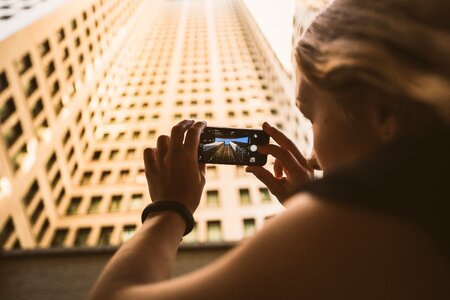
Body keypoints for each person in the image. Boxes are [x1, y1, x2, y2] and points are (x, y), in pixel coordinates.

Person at [88, 0, 450, 298]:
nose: (311, 157)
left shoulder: (389, 207)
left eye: (311, 117)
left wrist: (170, 208)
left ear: (383, 110)